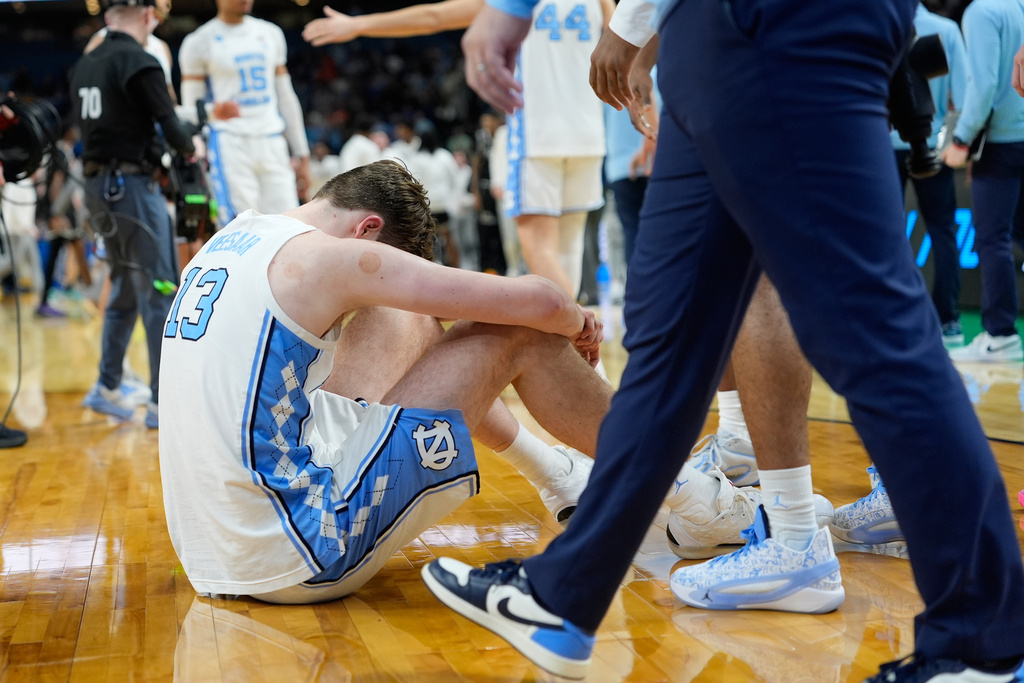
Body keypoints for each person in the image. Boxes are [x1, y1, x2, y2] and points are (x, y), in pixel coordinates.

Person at [425, 1, 1024, 682]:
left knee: (866, 326)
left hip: (775, 26)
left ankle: (981, 640)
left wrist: (584, 16)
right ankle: (565, 591)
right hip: (715, 32)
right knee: (670, 326)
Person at [158, 160, 610, 603]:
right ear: (367, 230)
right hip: (302, 553)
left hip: (218, 552)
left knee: (401, 316)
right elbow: (541, 302)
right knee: (515, 329)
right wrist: (580, 325)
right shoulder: (327, 259)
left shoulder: (235, 236)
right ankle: (676, 485)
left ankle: (558, 476)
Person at [304, 0, 613, 301]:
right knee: (570, 246)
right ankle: (579, 341)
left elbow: (434, 16)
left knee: (539, 246)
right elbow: (624, 49)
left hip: (537, 135)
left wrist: (359, 24)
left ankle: (581, 338)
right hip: (589, 134)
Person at [72, 0, 196, 430]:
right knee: (161, 286)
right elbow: (173, 128)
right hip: (131, 189)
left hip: (96, 190)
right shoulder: (139, 61)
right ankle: (164, 402)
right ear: (148, 16)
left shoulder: (85, 65)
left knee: (125, 283)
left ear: (108, 17)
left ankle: (107, 385)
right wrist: (190, 145)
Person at [177, 0, 312, 227]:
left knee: (289, 225)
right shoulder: (198, 41)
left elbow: (286, 96)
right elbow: (192, 111)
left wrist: (303, 154)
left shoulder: (270, 33)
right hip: (230, 142)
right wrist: (208, 124)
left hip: (272, 140)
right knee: (242, 228)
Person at [942, 0, 1024, 362]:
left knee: (992, 239)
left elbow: (984, 84)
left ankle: (1000, 334)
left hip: (999, 142)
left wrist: (960, 139)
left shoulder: (981, 12)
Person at [893, 2, 968, 348]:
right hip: (933, 142)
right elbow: (963, 96)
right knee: (943, 231)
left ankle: (892, 320)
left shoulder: (878, 23)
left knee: (883, 237)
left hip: (881, 146)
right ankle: (948, 321)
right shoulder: (947, 30)